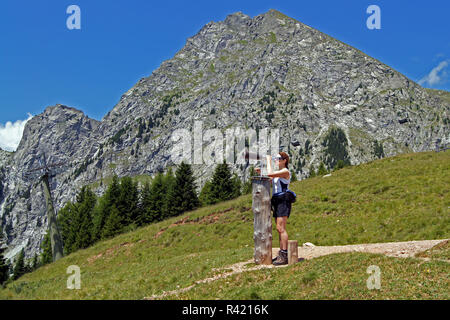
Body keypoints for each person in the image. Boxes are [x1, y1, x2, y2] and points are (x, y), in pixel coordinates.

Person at [255, 151, 292, 265]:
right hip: (277, 200)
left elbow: (270, 174)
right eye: (275, 159)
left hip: (283, 200)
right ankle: (282, 253)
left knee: (281, 228)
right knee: (278, 228)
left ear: (284, 160)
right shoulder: (278, 173)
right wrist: (261, 172)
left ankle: (285, 254)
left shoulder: (285, 171)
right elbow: (269, 177)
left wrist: (268, 161)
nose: (276, 160)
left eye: (278, 158)